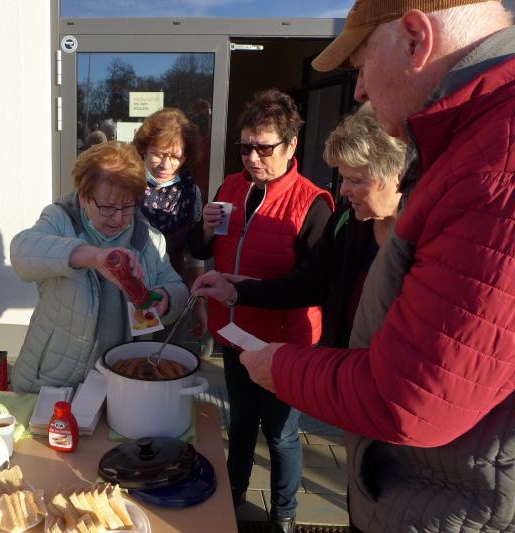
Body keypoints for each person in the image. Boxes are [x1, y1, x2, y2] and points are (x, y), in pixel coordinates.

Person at [238, 2, 515, 532]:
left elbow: (410, 398)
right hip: (405, 486)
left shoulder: (494, 164)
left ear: (415, 38)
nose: (360, 90)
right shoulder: (472, 143)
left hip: (449, 509)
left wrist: (282, 368)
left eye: (362, 64)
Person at [188, 88, 334, 532]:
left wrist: (240, 293)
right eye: (246, 146)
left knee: (282, 433)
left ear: (291, 145)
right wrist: (204, 230)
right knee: (241, 420)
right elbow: (201, 249)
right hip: (235, 333)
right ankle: (233, 495)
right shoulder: (232, 186)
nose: (253, 158)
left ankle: (284, 513)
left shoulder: (313, 203)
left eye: (264, 148)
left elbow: (312, 287)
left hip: (284, 341)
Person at [194, 104, 406, 348]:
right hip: (249, 336)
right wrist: (235, 292)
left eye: (356, 180)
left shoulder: (425, 239)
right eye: (343, 178)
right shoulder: (347, 221)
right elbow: (310, 283)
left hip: (290, 343)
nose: (343, 190)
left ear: (399, 174)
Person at [10, 141, 187, 392]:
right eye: (108, 207)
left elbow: (177, 289)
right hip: (54, 377)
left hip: (120, 375)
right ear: (84, 197)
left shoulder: (149, 239)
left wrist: (165, 299)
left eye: (128, 206)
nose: (118, 218)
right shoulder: (61, 220)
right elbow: (21, 252)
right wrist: (93, 256)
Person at [132, 107, 207, 339]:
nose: (166, 165)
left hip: (171, 295)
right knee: (129, 356)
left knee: (165, 356)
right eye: (158, 154)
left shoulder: (190, 193)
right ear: (143, 149)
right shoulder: (126, 185)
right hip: (127, 294)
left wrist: (198, 304)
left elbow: (192, 256)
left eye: (175, 157)